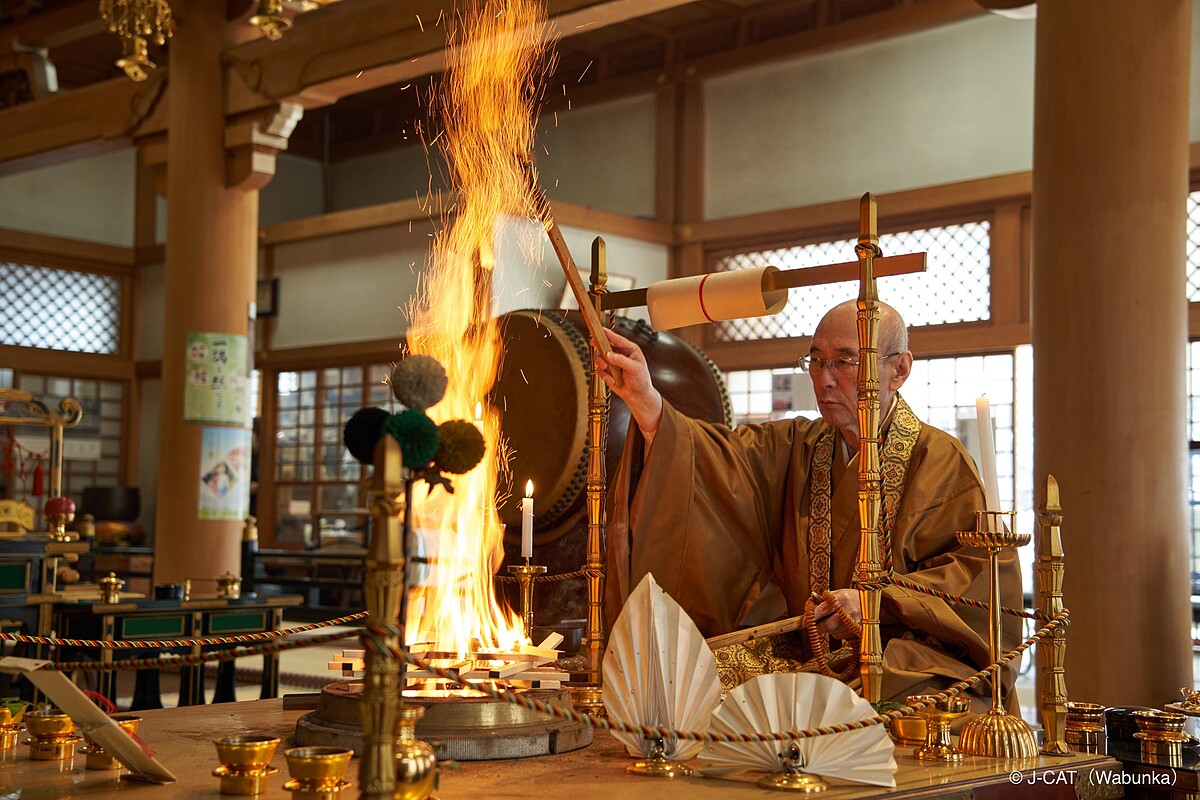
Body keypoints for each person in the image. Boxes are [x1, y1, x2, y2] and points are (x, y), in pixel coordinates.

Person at [595, 299, 1023, 710]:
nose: (825, 378)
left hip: (905, 654)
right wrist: (645, 399)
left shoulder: (941, 461)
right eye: (816, 360)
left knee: (876, 695)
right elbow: (716, 461)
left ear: (900, 369)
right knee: (698, 680)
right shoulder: (801, 445)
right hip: (810, 652)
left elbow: (973, 583)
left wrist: (876, 604)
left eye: (844, 361)